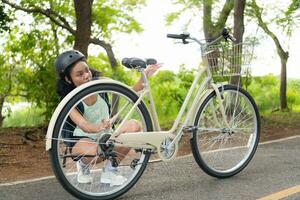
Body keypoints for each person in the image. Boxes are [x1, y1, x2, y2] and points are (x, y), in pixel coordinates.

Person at [54, 50, 161, 185]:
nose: (87, 76)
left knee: (134, 126)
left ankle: (110, 170)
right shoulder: (69, 100)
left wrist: (144, 77)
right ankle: (83, 165)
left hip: (106, 136)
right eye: (79, 74)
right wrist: (99, 126)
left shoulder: (101, 84)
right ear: (68, 79)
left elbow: (129, 92)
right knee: (99, 151)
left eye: (87, 70)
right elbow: (83, 125)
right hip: (83, 140)